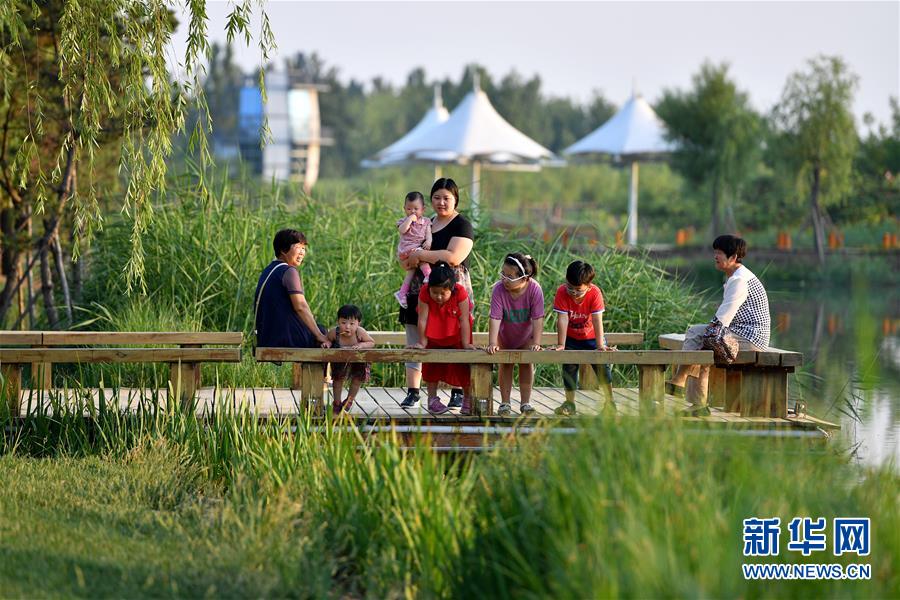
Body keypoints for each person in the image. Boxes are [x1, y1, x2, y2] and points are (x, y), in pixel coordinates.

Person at [667, 235, 771, 416]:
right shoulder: (737, 276)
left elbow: (723, 319)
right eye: (715, 252)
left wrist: (708, 332)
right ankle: (696, 403)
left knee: (697, 334)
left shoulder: (739, 281)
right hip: (741, 333)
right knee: (702, 343)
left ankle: (680, 380)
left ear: (733, 257)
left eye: (720, 253)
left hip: (750, 339)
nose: (715, 256)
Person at [399, 178, 475, 409]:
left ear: (455, 199)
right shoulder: (425, 222)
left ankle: (457, 391)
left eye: (446, 198)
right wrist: (413, 257)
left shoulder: (462, 225)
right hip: (420, 286)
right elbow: (407, 254)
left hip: (452, 288)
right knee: (416, 333)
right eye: (436, 198)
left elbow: (453, 257)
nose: (441, 202)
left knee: (455, 336)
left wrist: (421, 254)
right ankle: (413, 391)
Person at [408, 261, 476, 415]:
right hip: (433, 333)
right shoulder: (424, 291)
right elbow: (422, 319)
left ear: (451, 289)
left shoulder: (460, 292)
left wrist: (466, 343)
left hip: (457, 333)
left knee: (463, 366)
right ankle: (432, 399)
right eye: (435, 292)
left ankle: (467, 398)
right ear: (429, 288)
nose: (438, 297)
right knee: (431, 365)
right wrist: (422, 342)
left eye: (443, 293)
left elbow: (464, 320)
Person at [552, 260, 616, 416]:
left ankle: (610, 402)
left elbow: (597, 320)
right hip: (571, 338)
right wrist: (561, 344)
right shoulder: (562, 291)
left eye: (578, 290)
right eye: (570, 287)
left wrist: (600, 345)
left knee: (602, 367)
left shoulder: (595, 293)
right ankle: (570, 403)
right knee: (569, 368)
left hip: (592, 337)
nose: (573, 293)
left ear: (589, 285)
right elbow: (562, 319)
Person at [486, 252, 545, 416]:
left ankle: (525, 403)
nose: (504, 279)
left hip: (526, 336)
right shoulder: (499, 289)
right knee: (505, 365)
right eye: (503, 274)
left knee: (526, 364)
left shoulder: (534, 289)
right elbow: (495, 317)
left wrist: (536, 342)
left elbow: (538, 318)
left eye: (510, 277)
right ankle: (505, 402)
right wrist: (492, 342)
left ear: (524, 278)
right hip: (505, 335)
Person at [254, 229, 331, 350]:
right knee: (326, 335)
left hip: (266, 338)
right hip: (284, 339)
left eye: (304, 248)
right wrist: (320, 335)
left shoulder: (269, 270)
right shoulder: (289, 271)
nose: (302, 252)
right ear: (283, 250)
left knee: (319, 332)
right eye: (298, 247)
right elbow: (300, 306)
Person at [327, 304, 375, 415]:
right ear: (338, 322)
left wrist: (362, 345)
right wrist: (327, 344)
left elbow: (371, 342)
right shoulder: (335, 333)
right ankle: (337, 402)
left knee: (357, 380)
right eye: (343, 323)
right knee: (337, 380)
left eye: (352, 324)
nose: (347, 327)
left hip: (358, 360)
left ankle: (349, 400)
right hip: (340, 359)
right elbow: (328, 339)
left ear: (358, 324)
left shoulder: (360, 332)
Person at [394, 191, 432, 308]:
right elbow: (402, 230)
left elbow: (428, 233)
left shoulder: (426, 221)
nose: (412, 211)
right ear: (404, 209)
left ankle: (402, 293)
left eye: (416, 209)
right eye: (409, 209)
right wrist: (409, 220)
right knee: (421, 256)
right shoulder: (403, 221)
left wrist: (429, 241)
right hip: (407, 249)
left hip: (417, 249)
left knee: (411, 271)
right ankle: (428, 275)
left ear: (423, 209)